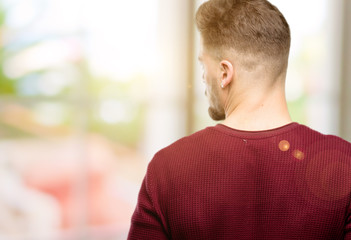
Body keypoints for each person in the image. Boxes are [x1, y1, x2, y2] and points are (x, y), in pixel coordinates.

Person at [128, 0, 351, 239]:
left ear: (225, 73)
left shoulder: (167, 168)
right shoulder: (344, 165)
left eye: (204, 65)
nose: (203, 77)